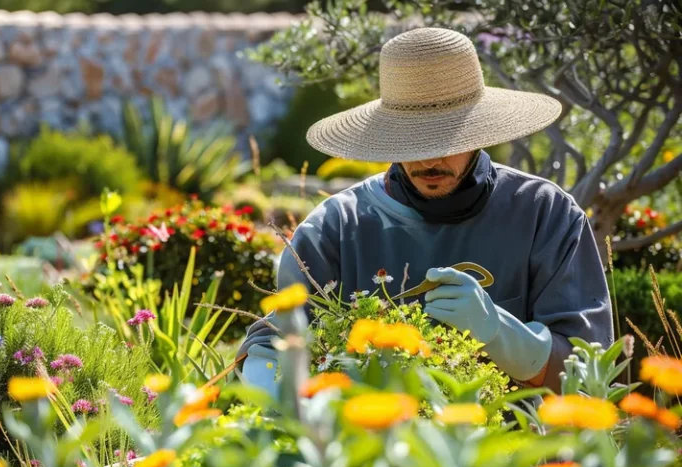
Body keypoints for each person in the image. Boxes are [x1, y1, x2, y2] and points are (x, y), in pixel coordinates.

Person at [237, 27, 613, 396]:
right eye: (413, 139)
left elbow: (588, 373)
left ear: (479, 130)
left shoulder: (545, 214)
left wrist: (500, 333)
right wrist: (273, 400)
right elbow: (273, 344)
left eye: (449, 138)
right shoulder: (335, 228)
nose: (431, 158)